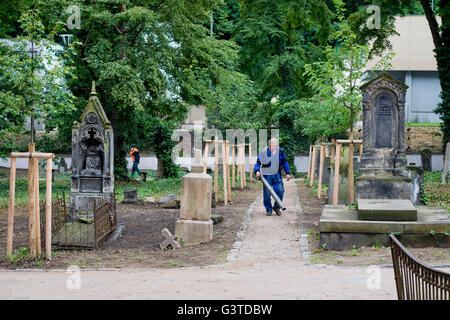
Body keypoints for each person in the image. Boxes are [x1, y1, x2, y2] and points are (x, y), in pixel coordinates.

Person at [253, 138, 291, 216]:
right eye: (271, 145)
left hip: (277, 174)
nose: (273, 146)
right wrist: (257, 171)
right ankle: (268, 209)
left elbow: (284, 162)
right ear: (269, 144)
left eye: (274, 145)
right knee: (267, 193)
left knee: (280, 191)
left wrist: (287, 173)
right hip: (267, 174)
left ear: (277, 145)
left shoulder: (280, 151)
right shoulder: (263, 152)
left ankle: (276, 207)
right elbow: (258, 163)